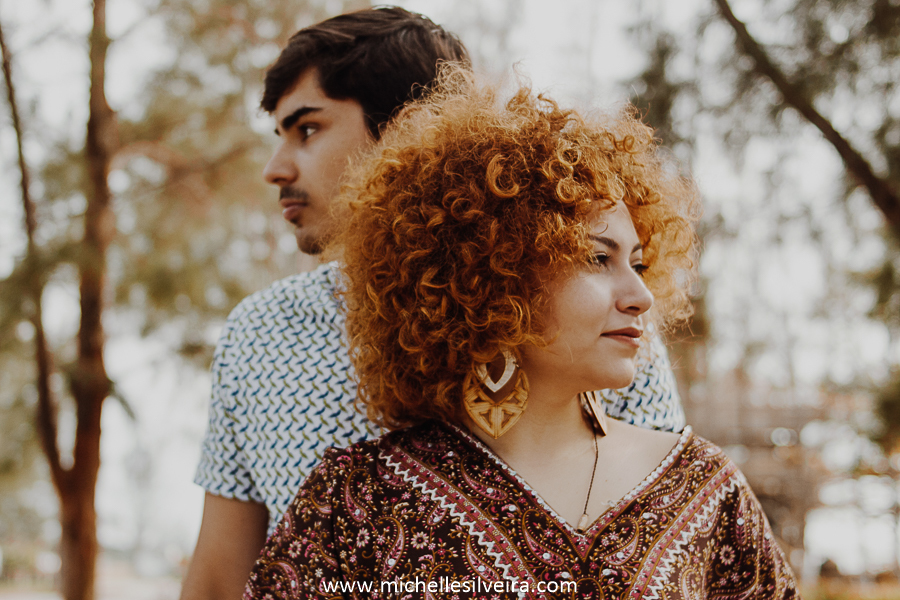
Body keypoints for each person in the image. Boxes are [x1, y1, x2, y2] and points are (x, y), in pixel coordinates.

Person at [183, 7, 685, 599]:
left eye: (308, 129)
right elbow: (220, 577)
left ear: (412, 128)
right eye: (280, 136)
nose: (276, 168)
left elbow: (667, 542)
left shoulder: (594, 326)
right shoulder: (260, 335)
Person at [244, 71, 799, 599]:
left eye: (640, 263)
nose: (640, 296)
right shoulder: (355, 499)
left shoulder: (703, 490)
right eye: (596, 257)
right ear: (493, 271)